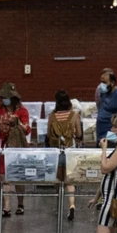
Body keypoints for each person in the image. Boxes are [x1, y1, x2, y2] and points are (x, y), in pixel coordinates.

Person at [0, 86, 32, 217]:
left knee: (18, 177)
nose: (4, 100)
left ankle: (20, 204)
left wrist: (17, 122)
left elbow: (27, 129)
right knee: (3, 176)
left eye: (6, 98)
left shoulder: (22, 111)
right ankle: (6, 207)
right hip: (3, 146)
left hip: (17, 147)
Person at [48, 91, 83, 221]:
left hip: (57, 151)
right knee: (70, 180)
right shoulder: (74, 115)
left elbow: (48, 134)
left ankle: (59, 206)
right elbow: (79, 133)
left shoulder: (52, 116)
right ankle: (72, 205)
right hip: (70, 150)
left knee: (59, 180)